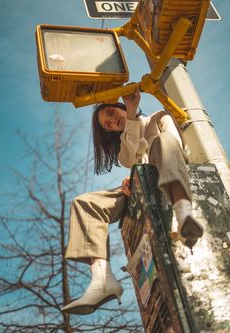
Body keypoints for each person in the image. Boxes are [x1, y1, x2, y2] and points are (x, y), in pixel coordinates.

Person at [62, 92, 203, 315]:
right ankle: (102, 279)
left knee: (163, 141)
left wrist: (131, 112)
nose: (111, 121)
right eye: (107, 124)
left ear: (118, 105)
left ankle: (184, 215)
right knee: (85, 203)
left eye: (110, 113)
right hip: (140, 189)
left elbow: (173, 147)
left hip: (166, 172)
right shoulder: (124, 146)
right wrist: (133, 179)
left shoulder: (160, 117)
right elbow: (129, 160)